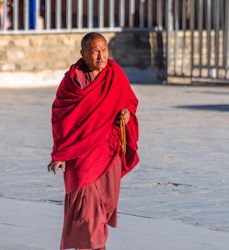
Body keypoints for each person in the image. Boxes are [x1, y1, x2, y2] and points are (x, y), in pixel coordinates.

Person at [48, 32, 139, 250]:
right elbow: (61, 118)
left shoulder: (115, 74)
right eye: (95, 51)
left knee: (102, 207)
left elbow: (130, 101)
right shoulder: (71, 83)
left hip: (108, 152)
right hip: (81, 156)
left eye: (104, 50)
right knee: (86, 211)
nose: (101, 56)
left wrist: (127, 114)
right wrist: (60, 154)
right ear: (83, 54)